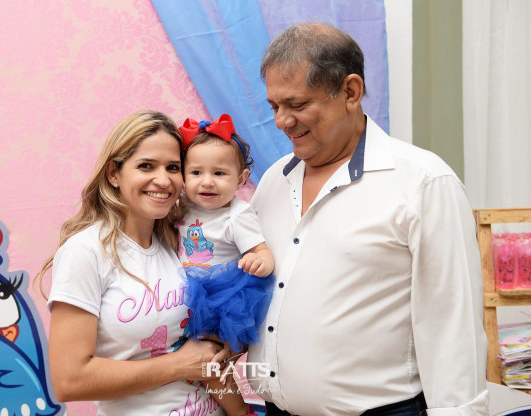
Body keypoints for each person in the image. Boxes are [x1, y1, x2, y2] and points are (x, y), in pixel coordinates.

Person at [246, 23, 489, 416]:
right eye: (275, 106)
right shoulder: (275, 179)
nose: (282, 121)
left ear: (350, 92)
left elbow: (452, 323)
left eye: (297, 104)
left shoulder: (423, 182)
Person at [35, 111, 228, 415]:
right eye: (146, 166)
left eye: (173, 167)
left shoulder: (180, 240)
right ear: (114, 173)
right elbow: (70, 380)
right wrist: (180, 364)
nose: (163, 180)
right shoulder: (86, 252)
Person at [176, 114, 276, 416]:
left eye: (219, 173)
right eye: (196, 172)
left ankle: (240, 411)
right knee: (187, 357)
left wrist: (259, 262)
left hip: (222, 299)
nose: (207, 181)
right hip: (185, 292)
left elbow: (262, 252)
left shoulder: (237, 214)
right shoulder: (181, 206)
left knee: (212, 363)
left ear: (241, 179)